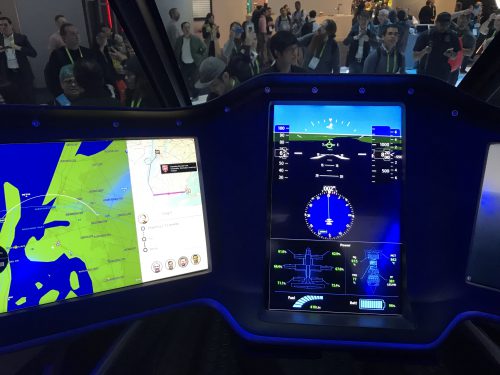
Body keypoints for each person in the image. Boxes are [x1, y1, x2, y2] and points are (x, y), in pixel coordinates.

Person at [44, 23, 94, 97]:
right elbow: (52, 79)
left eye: (77, 33)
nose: (77, 36)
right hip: (68, 95)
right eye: (73, 34)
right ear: (64, 38)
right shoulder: (57, 55)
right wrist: (60, 97)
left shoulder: (87, 52)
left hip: (88, 92)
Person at [413, 12, 461, 82]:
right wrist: (424, 51)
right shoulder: (425, 35)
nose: (443, 27)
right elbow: (415, 57)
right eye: (441, 24)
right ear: (436, 22)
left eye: (446, 25)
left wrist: (451, 54)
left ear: (449, 24)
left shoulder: (453, 36)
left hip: (443, 74)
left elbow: (455, 56)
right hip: (425, 73)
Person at [0, 16, 37, 104]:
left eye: (6, 24)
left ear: (11, 25)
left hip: (24, 74)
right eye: (0, 25)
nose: (3, 27)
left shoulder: (21, 38)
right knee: (12, 101)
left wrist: (18, 47)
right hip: (8, 76)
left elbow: (33, 53)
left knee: (29, 100)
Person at [174, 21, 207, 99]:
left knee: (195, 81)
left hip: (194, 64)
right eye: (185, 27)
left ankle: (196, 96)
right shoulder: (179, 40)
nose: (187, 29)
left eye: (188, 27)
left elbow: (204, 48)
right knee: (184, 81)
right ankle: (188, 96)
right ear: (182, 29)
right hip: (183, 65)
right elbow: (176, 51)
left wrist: (199, 56)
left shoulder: (195, 39)